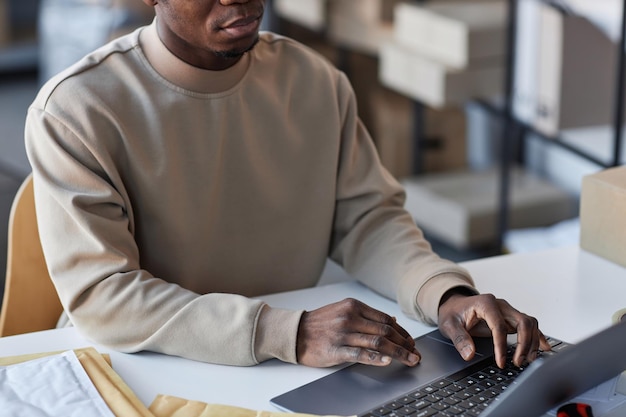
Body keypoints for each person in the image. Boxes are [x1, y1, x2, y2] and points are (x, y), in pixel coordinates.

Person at [25, 0, 550, 369]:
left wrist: (445, 294)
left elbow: (368, 221)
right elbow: (103, 296)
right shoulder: (76, 110)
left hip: (285, 361)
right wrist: (288, 332)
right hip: (147, 364)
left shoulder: (315, 80)